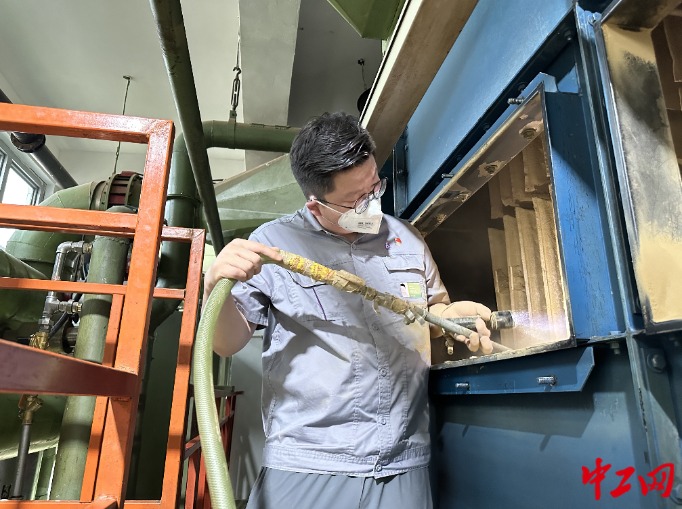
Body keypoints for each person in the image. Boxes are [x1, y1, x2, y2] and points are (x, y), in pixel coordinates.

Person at [203, 112, 493, 509]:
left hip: (403, 461)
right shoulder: (273, 244)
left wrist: (455, 316)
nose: (371, 204)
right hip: (310, 463)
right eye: (356, 200)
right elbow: (227, 342)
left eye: (374, 187)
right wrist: (214, 286)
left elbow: (433, 312)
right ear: (316, 205)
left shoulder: (407, 239)